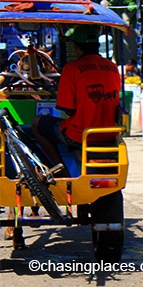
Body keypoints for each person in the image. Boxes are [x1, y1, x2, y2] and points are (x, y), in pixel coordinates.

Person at [31, 24, 122, 177]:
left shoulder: (72, 68)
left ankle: (61, 170)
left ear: (76, 46)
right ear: (97, 45)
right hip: (109, 133)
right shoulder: (113, 68)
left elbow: (68, 109)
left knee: (37, 122)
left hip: (81, 134)